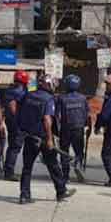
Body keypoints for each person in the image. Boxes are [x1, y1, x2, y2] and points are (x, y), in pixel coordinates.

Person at [18, 74, 76, 204]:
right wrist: (50, 139)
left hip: (29, 137)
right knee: (53, 165)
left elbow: (19, 110)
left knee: (27, 168)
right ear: (49, 85)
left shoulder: (29, 95)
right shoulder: (48, 99)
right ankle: (61, 191)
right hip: (43, 138)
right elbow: (47, 119)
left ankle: (24, 195)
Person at [55, 75, 91, 183]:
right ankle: (77, 165)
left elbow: (57, 115)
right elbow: (87, 115)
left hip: (65, 129)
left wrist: (56, 130)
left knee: (64, 152)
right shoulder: (83, 98)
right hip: (79, 128)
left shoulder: (61, 98)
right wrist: (88, 127)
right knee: (79, 151)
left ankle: (65, 176)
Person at [2, 70, 29, 181]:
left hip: (9, 121)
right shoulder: (19, 91)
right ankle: (9, 173)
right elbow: (13, 106)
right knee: (15, 147)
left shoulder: (10, 89)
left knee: (12, 145)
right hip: (16, 122)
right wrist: (19, 120)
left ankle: (7, 170)